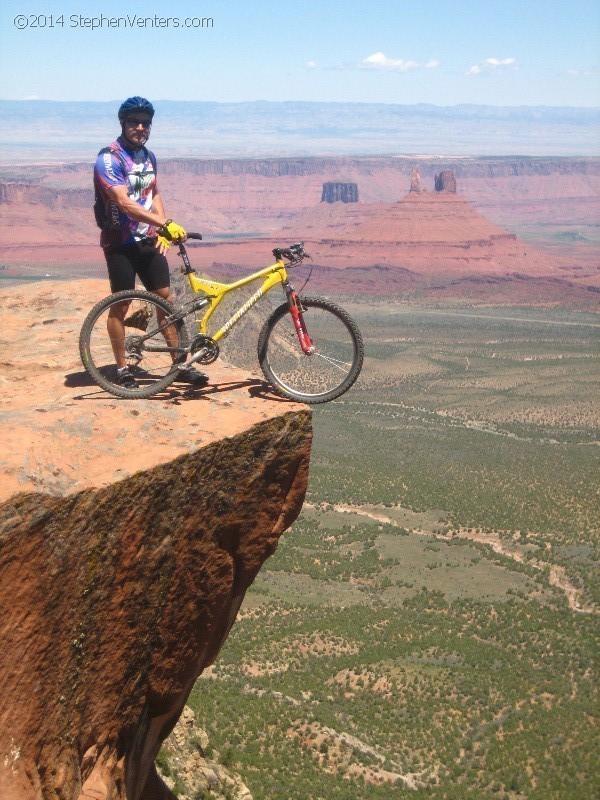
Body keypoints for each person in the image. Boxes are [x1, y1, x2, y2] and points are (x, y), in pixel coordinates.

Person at [93, 96, 207, 389]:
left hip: (148, 238)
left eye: (145, 123)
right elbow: (124, 202)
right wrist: (165, 224)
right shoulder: (109, 158)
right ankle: (121, 370)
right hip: (120, 241)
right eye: (134, 122)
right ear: (123, 123)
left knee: (166, 300)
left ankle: (179, 364)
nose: (140, 127)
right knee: (122, 304)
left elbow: (153, 192)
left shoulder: (148, 156)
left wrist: (163, 228)